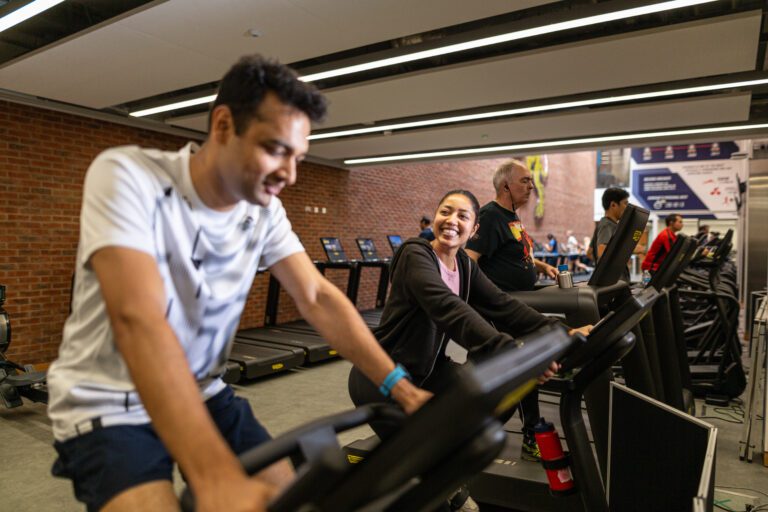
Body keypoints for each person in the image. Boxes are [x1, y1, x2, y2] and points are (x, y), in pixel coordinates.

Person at [46, 55, 431, 512]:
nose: (289, 173)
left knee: (289, 499)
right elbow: (139, 320)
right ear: (224, 125)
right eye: (276, 149)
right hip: (109, 403)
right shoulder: (130, 176)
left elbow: (317, 296)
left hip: (204, 391)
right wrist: (215, 477)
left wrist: (402, 389)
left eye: (299, 157)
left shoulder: (263, 212)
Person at [349, 190, 589, 509]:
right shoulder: (415, 254)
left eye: (463, 216)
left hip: (430, 372)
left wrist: (562, 332)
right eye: (445, 212)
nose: (451, 220)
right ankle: (449, 494)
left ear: (474, 230)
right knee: (428, 467)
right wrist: (511, 351)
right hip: (383, 376)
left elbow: (502, 305)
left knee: (485, 407)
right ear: (435, 217)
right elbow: (447, 308)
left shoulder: (464, 264)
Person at [463, 159, 557, 462]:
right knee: (510, 366)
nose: (531, 187)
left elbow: (516, 254)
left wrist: (542, 266)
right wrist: (483, 307)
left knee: (519, 365)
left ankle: (525, 429)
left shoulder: (511, 218)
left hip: (519, 303)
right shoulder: (490, 216)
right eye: (525, 181)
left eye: (531, 181)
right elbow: (469, 260)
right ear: (506, 185)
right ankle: (524, 431)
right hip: (500, 309)